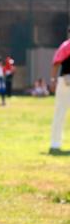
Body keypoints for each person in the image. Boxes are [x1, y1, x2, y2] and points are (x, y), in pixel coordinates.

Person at [49, 26, 70, 154]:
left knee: (60, 113)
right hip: (66, 82)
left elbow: (56, 62)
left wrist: (53, 80)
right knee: (60, 113)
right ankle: (55, 143)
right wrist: (53, 80)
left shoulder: (66, 45)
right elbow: (56, 63)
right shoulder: (67, 45)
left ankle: (55, 143)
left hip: (65, 81)